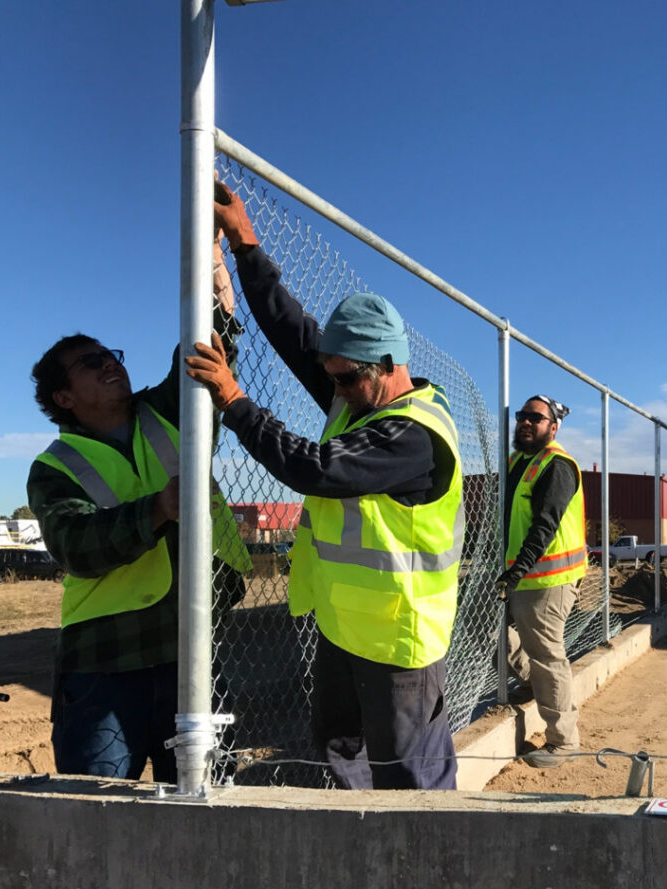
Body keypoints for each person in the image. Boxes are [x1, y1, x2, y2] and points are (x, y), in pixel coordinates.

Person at [184, 181, 464, 791]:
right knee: (340, 750)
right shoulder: (354, 392)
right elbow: (292, 332)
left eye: (344, 379)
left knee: (408, 776)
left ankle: (420, 872)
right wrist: (244, 242)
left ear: (390, 365)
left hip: (397, 638)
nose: (329, 388)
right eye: (330, 375)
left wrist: (235, 401)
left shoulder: (409, 435)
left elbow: (316, 469)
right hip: (344, 627)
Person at [27, 239, 251, 783]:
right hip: (106, 660)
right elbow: (77, 546)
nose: (109, 363)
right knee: (98, 808)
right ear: (63, 397)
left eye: (110, 355)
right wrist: (158, 509)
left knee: (203, 801)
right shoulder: (55, 467)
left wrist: (217, 268)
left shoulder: (170, 408)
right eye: (90, 362)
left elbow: (206, 344)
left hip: (190, 647)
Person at [496, 395, 586, 769]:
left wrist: (518, 569)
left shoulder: (557, 465)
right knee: (490, 631)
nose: (526, 422)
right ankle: (534, 682)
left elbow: (544, 525)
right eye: (522, 416)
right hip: (522, 573)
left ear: (554, 426)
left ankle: (563, 740)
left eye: (536, 417)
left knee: (548, 656)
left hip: (549, 578)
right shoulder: (519, 461)